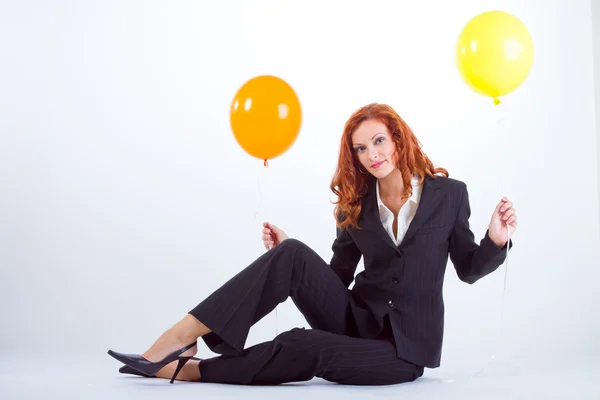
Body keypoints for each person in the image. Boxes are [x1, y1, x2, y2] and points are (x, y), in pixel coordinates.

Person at [108, 103, 516, 385]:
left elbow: (468, 268)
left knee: (302, 344)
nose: (371, 154)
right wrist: (288, 254)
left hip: (402, 352)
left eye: (377, 141)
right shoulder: (354, 206)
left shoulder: (449, 195)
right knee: (293, 252)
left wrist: (495, 240)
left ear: (397, 139)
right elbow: (335, 277)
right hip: (357, 320)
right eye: (360, 149)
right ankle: (179, 335)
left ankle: (194, 370)